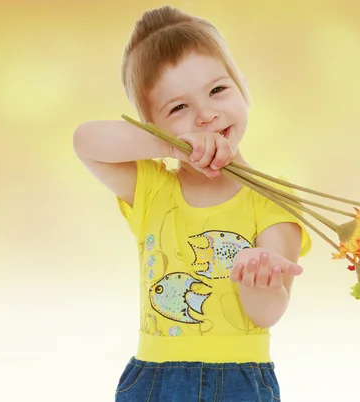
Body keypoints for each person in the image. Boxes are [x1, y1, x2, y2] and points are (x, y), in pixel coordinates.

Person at [73, 5, 311, 401]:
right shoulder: (151, 189)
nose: (205, 115)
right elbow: (85, 142)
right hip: (153, 382)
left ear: (244, 89)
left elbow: (267, 314)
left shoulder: (273, 198)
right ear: (150, 127)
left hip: (240, 382)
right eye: (178, 108)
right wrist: (170, 146)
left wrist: (258, 280)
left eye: (218, 90)